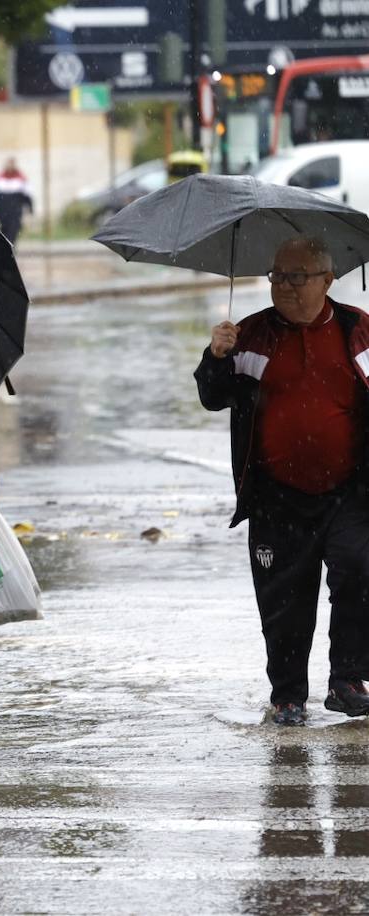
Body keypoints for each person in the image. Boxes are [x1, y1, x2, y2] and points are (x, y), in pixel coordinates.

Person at [196, 236, 369, 727]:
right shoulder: (249, 335)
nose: (284, 287)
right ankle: (288, 695)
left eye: (297, 277)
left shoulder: (358, 331)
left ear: (327, 280)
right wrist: (215, 356)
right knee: (283, 598)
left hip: (350, 491)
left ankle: (348, 680)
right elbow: (213, 397)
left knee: (360, 572)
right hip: (276, 496)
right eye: (276, 276)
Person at [0, 158, 34, 246]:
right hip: (2, 211)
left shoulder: (21, 179)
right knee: (4, 231)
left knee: (14, 231)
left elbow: (27, 196)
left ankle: (11, 248)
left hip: (15, 212)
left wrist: (30, 209)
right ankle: (7, 249)